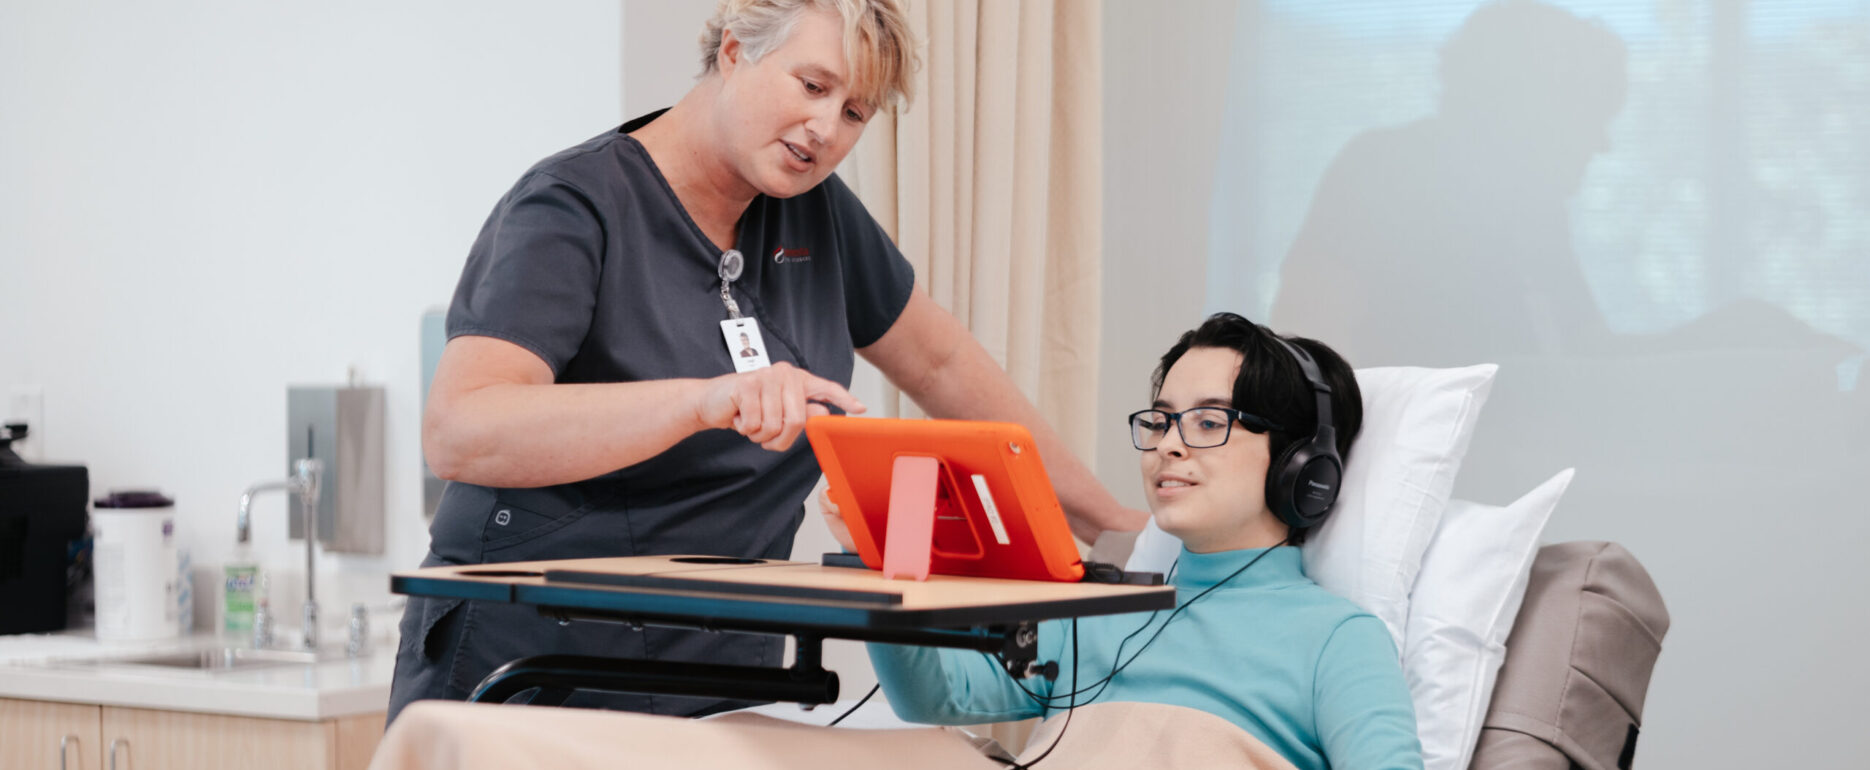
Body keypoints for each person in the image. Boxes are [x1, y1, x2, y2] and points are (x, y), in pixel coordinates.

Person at [389, 0, 1144, 725]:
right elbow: (462, 428)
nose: (825, 128)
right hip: (533, 663)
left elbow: (945, 364)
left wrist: (1115, 531)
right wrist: (701, 402)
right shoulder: (574, 206)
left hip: (712, 669)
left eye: (854, 113)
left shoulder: (815, 213)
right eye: (812, 85)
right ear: (733, 49)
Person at [849, 312, 1423, 769]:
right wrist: (888, 552)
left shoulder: (1338, 641)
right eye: (1161, 420)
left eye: (1209, 422)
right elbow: (933, 698)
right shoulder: (1092, 613)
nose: (1168, 445)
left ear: (1302, 468)